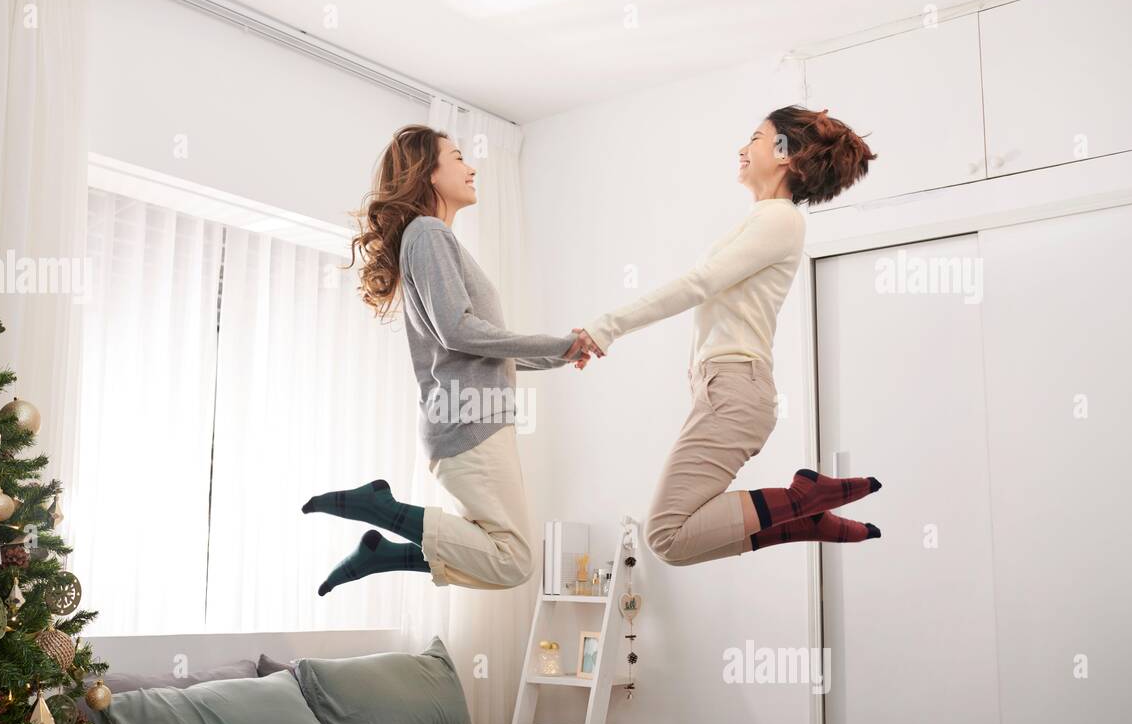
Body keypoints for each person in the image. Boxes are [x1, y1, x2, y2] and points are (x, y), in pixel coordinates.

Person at [572, 107, 883, 565]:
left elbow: (699, 283)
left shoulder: (779, 219)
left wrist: (607, 327)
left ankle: (801, 500)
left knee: (665, 536)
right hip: (726, 388)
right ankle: (801, 517)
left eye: (755, 137)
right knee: (674, 542)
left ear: (783, 153)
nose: (742, 148)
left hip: (735, 386)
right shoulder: (767, 219)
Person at [302, 124, 592, 595]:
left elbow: (482, 346)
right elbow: (458, 331)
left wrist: (562, 352)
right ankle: (381, 511)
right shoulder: (429, 234)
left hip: (470, 417)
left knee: (502, 556)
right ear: (429, 174)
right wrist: (557, 344)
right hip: (469, 419)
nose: (471, 166)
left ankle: (384, 550)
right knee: (513, 561)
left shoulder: (430, 239)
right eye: (458, 157)